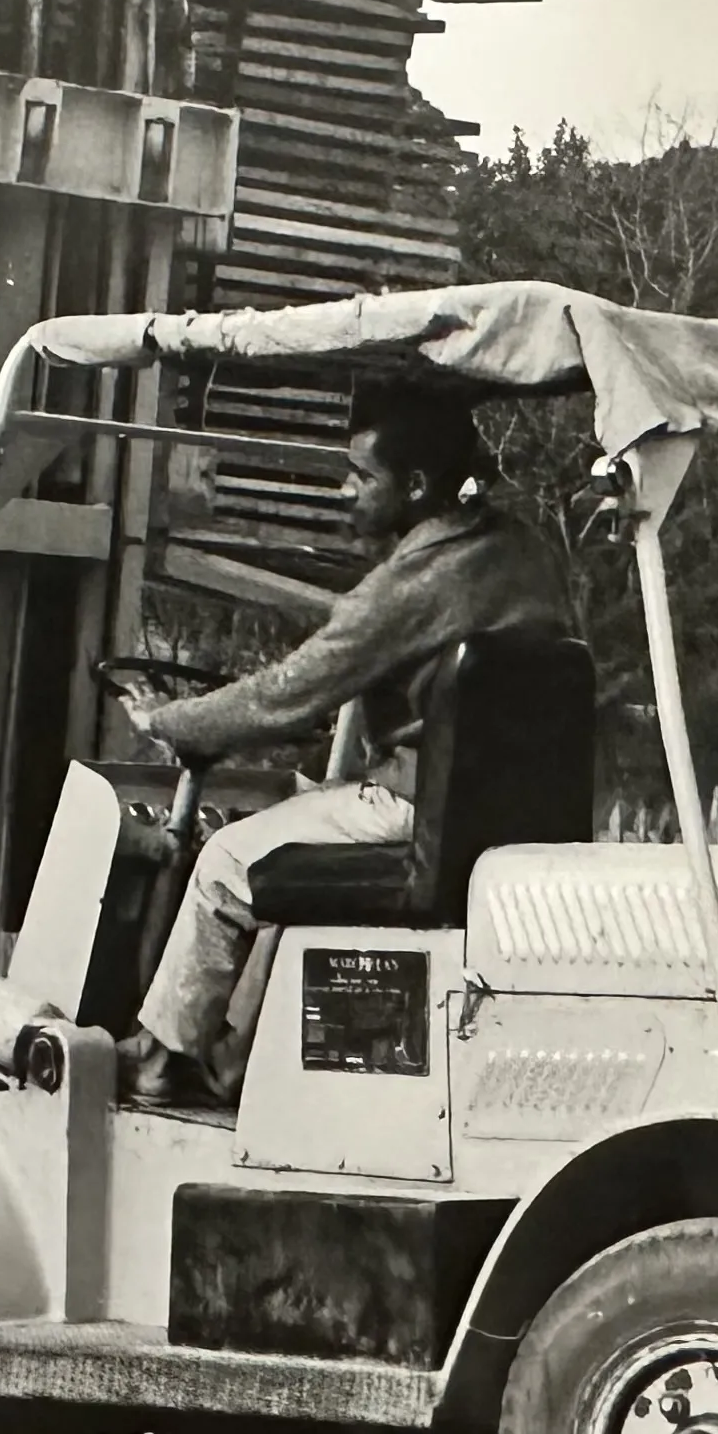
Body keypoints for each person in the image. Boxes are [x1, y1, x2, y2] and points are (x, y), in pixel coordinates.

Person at [106, 391, 569, 1106]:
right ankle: (231, 1059)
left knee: (229, 860)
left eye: (360, 474)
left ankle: (158, 1059)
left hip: (418, 808)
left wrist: (170, 721)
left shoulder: (402, 591)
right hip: (508, 815)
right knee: (298, 828)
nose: (342, 488)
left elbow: (280, 695)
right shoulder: (521, 553)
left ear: (414, 486)